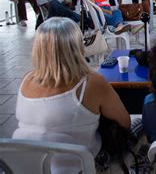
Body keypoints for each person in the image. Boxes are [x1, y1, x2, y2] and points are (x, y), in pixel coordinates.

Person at [13, 17, 130, 172]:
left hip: (26, 167)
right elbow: (125, 122)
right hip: (79, 167)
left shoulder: (26, 79)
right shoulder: (91, 82)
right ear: (77, 46)